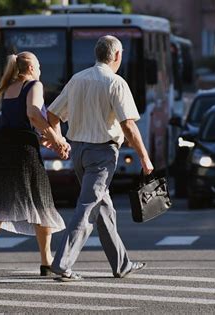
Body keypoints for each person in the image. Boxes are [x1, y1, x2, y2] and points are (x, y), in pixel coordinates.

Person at [46, 35, 153, 281]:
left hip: (79, 153)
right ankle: (62, 264)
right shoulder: (116, 82)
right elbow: (128, 126)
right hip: (102, 154)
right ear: (117, 55)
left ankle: (121, 264)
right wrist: (145, 158)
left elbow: (52, 115)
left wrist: (59, 141)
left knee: (104, 209)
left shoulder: (77, 79)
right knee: (87, 209)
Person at [0, 52, 68, 279]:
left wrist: (54, 137)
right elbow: (33, 113)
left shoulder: (8, 88)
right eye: (40, 65)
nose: (41, 70)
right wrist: (57, 141)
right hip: (22, 149)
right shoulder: (34, 84)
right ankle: (46, 261)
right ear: (32, 67)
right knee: (41, 201)